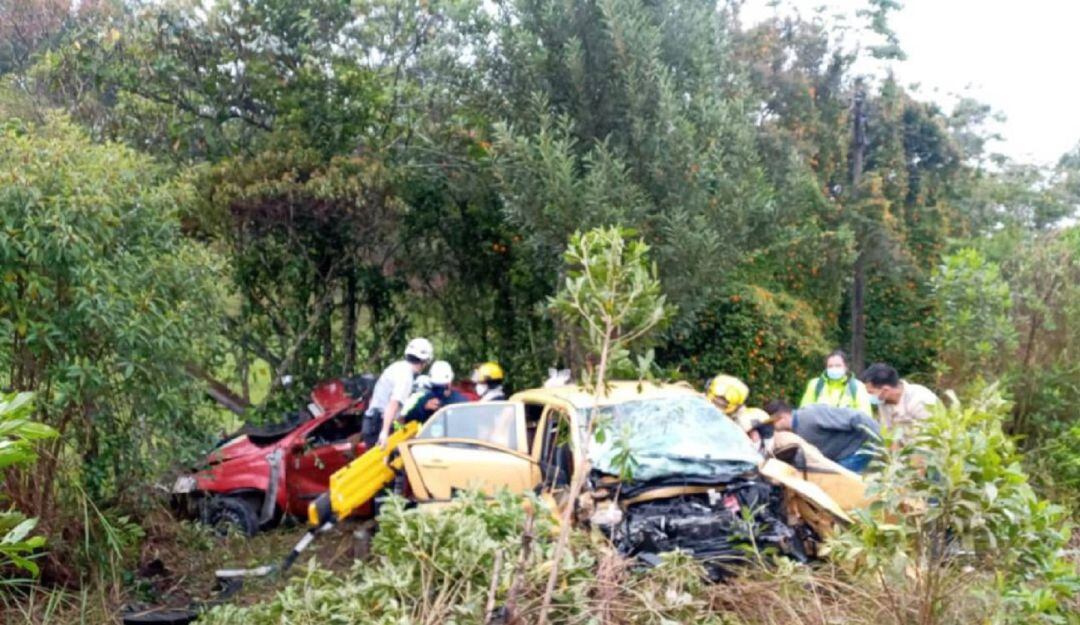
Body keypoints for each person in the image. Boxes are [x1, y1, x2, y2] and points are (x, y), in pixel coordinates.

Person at [763, 400, 881, 473]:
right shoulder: (793, 433)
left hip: (855, 449)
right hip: (839, 457)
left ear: (781, 417)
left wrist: (880, 437)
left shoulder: (812, 414)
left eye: (772, 424)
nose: (772, 429)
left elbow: (855, 417)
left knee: (840, 486)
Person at [366, 337, 434, 449]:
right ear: (424, 361)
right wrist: (384, 432)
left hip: (373, 422)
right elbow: (393, 404)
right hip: (379, 425)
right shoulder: (406, 377)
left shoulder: (397, 367)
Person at [860, 363, 940, 431]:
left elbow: (929, 438)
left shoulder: (920, 400)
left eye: (870, 392)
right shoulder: (883, 401)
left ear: (885, 390)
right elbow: (887, 432)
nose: (868, 396)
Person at [799, 349, 873, 416]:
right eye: (830, 366)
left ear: (846, 367)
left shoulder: (858, 386)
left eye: (838, 366)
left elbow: (865, 416)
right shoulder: (814, 384)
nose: (834, 368)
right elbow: (804, 411)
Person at [404, 360, 469, 424]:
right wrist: (424, 408)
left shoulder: (461, 403)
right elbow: (408, 419)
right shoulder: (426, 399)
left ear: (449, 384)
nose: (438, 391)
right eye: (435, 387)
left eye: (441, 387)